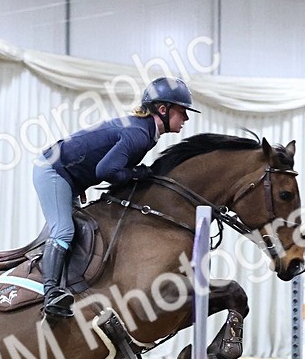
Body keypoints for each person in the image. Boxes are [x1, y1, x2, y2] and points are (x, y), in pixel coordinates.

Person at [32, 76, 198, 319]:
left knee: (79, 230)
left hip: (68, 175)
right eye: (182, 111)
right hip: (53, 170)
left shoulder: (146, 132)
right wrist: (136, 173)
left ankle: (67, 286)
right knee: (64, 231)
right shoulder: (139, 134)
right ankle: (51, 295)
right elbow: (106, 171)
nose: (186, 118)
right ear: (163, 109)